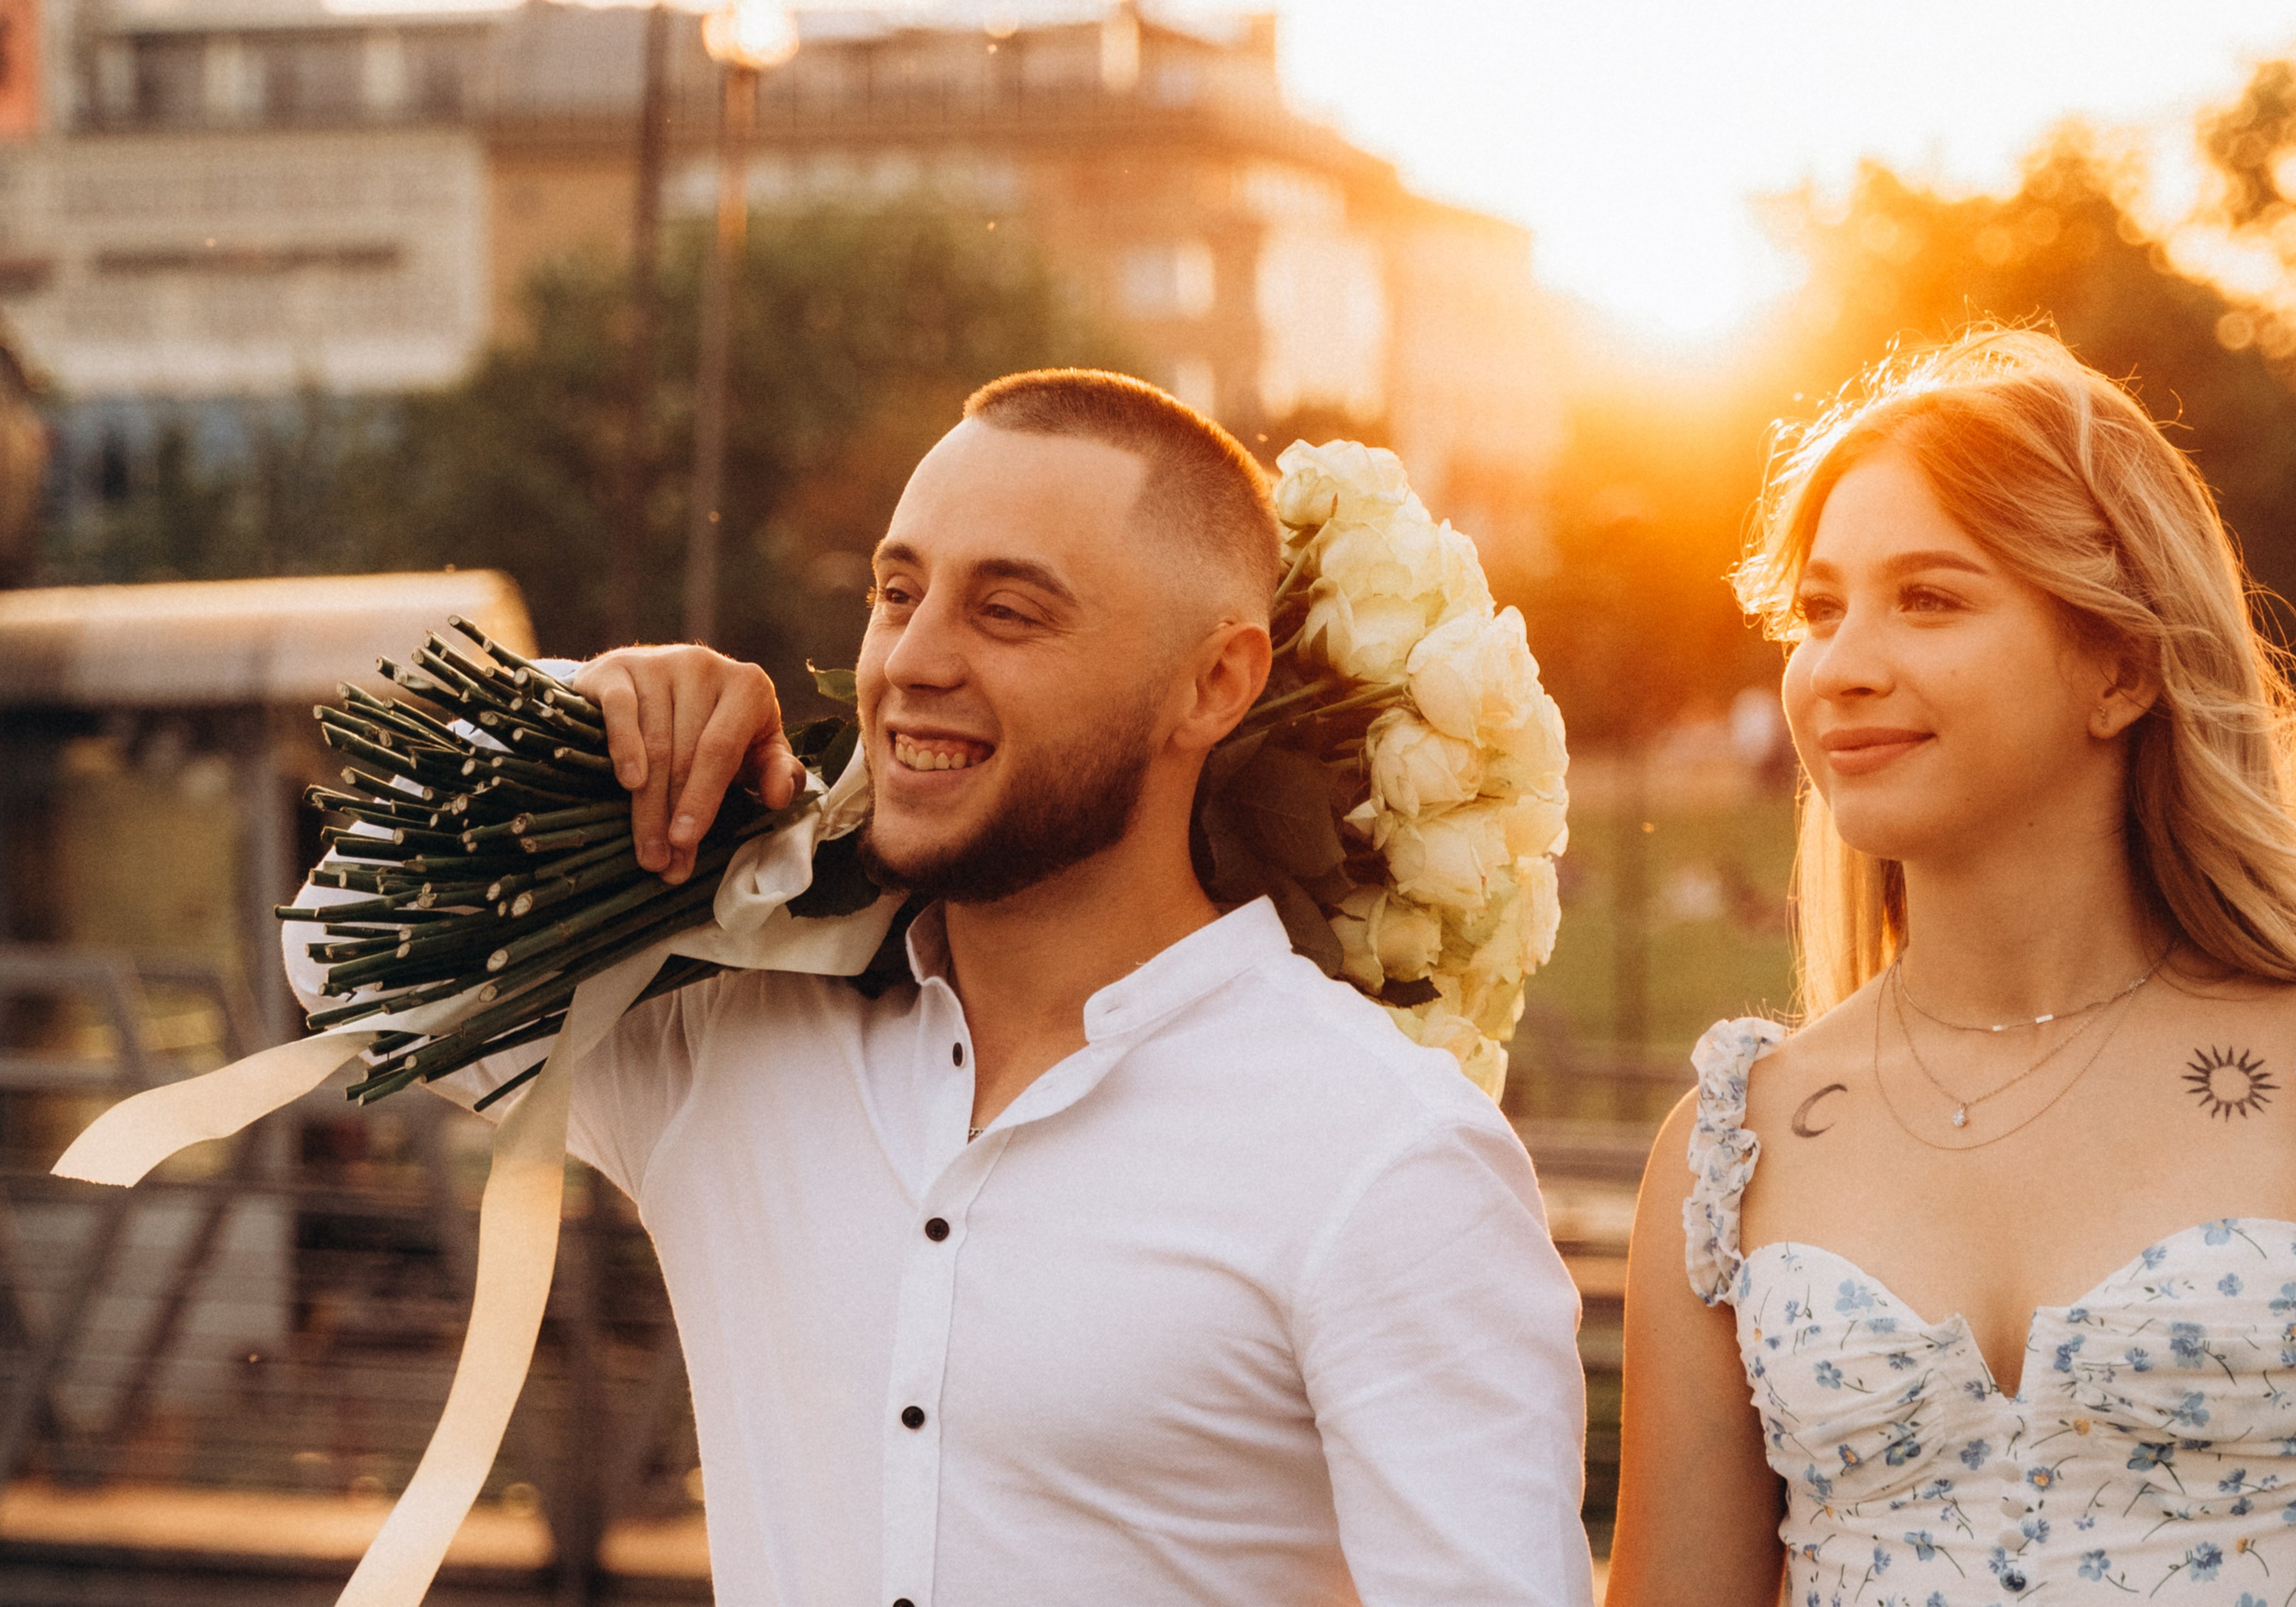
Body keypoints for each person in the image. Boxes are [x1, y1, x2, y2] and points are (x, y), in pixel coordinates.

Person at [295, 372, 1591, 1606]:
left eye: (1007, 610)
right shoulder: (724, 1043)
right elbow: (336, 951)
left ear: (1215, 683)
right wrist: (588, 714)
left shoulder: (1387, 1156)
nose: (911, 660)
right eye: (897, 592)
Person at [1606, 329, 2296, 1605]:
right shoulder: (1732, 1150)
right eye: (1820, 611)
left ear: (2122, 666)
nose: (1842, 666)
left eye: (1928, 597)